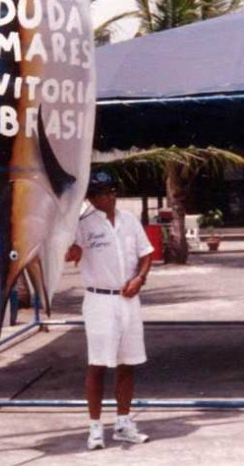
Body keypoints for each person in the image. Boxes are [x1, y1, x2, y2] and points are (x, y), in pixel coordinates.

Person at [65, 168, 154, 450]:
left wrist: (140, 279)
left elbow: (146, 254)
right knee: (99, 364)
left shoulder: (129, 220)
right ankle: (94, 428)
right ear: (91, 198)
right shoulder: (83, 224)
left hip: (128, 299)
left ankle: (123, 423)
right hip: (99, 300)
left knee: (128, 364)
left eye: (112, 191)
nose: (110, 197)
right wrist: (72, 250)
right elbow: (72, 251)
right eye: (102, 193)